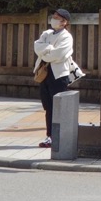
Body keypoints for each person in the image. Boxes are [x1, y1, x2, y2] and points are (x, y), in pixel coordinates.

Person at [33, 8, 74, 148]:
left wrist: (46, 52)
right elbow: (37, 46)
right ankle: (49, 136)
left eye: (57, 17)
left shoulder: (66, 37)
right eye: (54, 16)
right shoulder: (47, 33)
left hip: (59, 75)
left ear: (64, 22)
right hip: (45, 72)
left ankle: (60, 136)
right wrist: (48, 50)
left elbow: (59, 55)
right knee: (48, 106)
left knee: (59, 106)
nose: (54, 19)